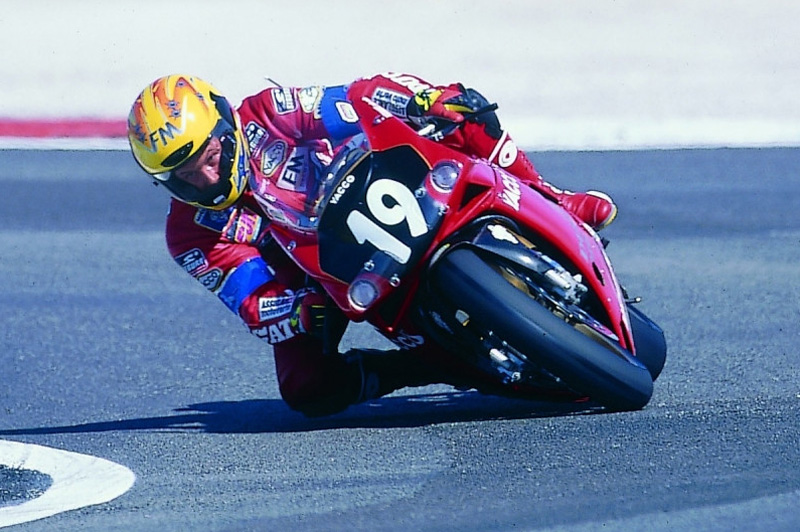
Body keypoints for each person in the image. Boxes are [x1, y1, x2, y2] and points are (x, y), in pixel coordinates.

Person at [127, 72, 618, 417]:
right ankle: (426, 364)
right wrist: (295, 313)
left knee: (463, 106)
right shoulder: (190, 234)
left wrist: (421, 102)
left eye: (210, 156)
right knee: (306, 389)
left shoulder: (269, 112)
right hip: (320, 274)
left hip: (380, 186)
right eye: (184, 176)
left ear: (224, 125)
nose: (206, 178)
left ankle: (552, 196)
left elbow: (354, 98)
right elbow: (251, 299)